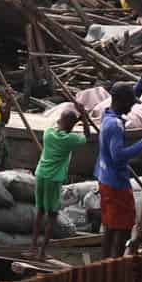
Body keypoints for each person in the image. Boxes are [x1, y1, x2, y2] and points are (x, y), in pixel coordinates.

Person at [96, 81, 142, 258]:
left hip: (104, 178)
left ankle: (104, 262)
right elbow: (118, 155)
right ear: (122, 101)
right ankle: (116, 263)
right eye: (131, 103)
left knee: (110, 224)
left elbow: (131, 95)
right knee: (124, 226)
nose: (132, 107)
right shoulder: (115, 125)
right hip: (116, 182)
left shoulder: (107, 115)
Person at [29, 107, 85, 259]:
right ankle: (42, 252)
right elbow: (86, 136)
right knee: (52, 215)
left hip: (40, 175)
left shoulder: (48, 133)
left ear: (60, 120)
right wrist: (84, 119)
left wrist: (74, 119)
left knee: (40, 212)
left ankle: (33, 247)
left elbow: (61, 124)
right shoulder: (70, 139)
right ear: (72, 126)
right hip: (53, 179)